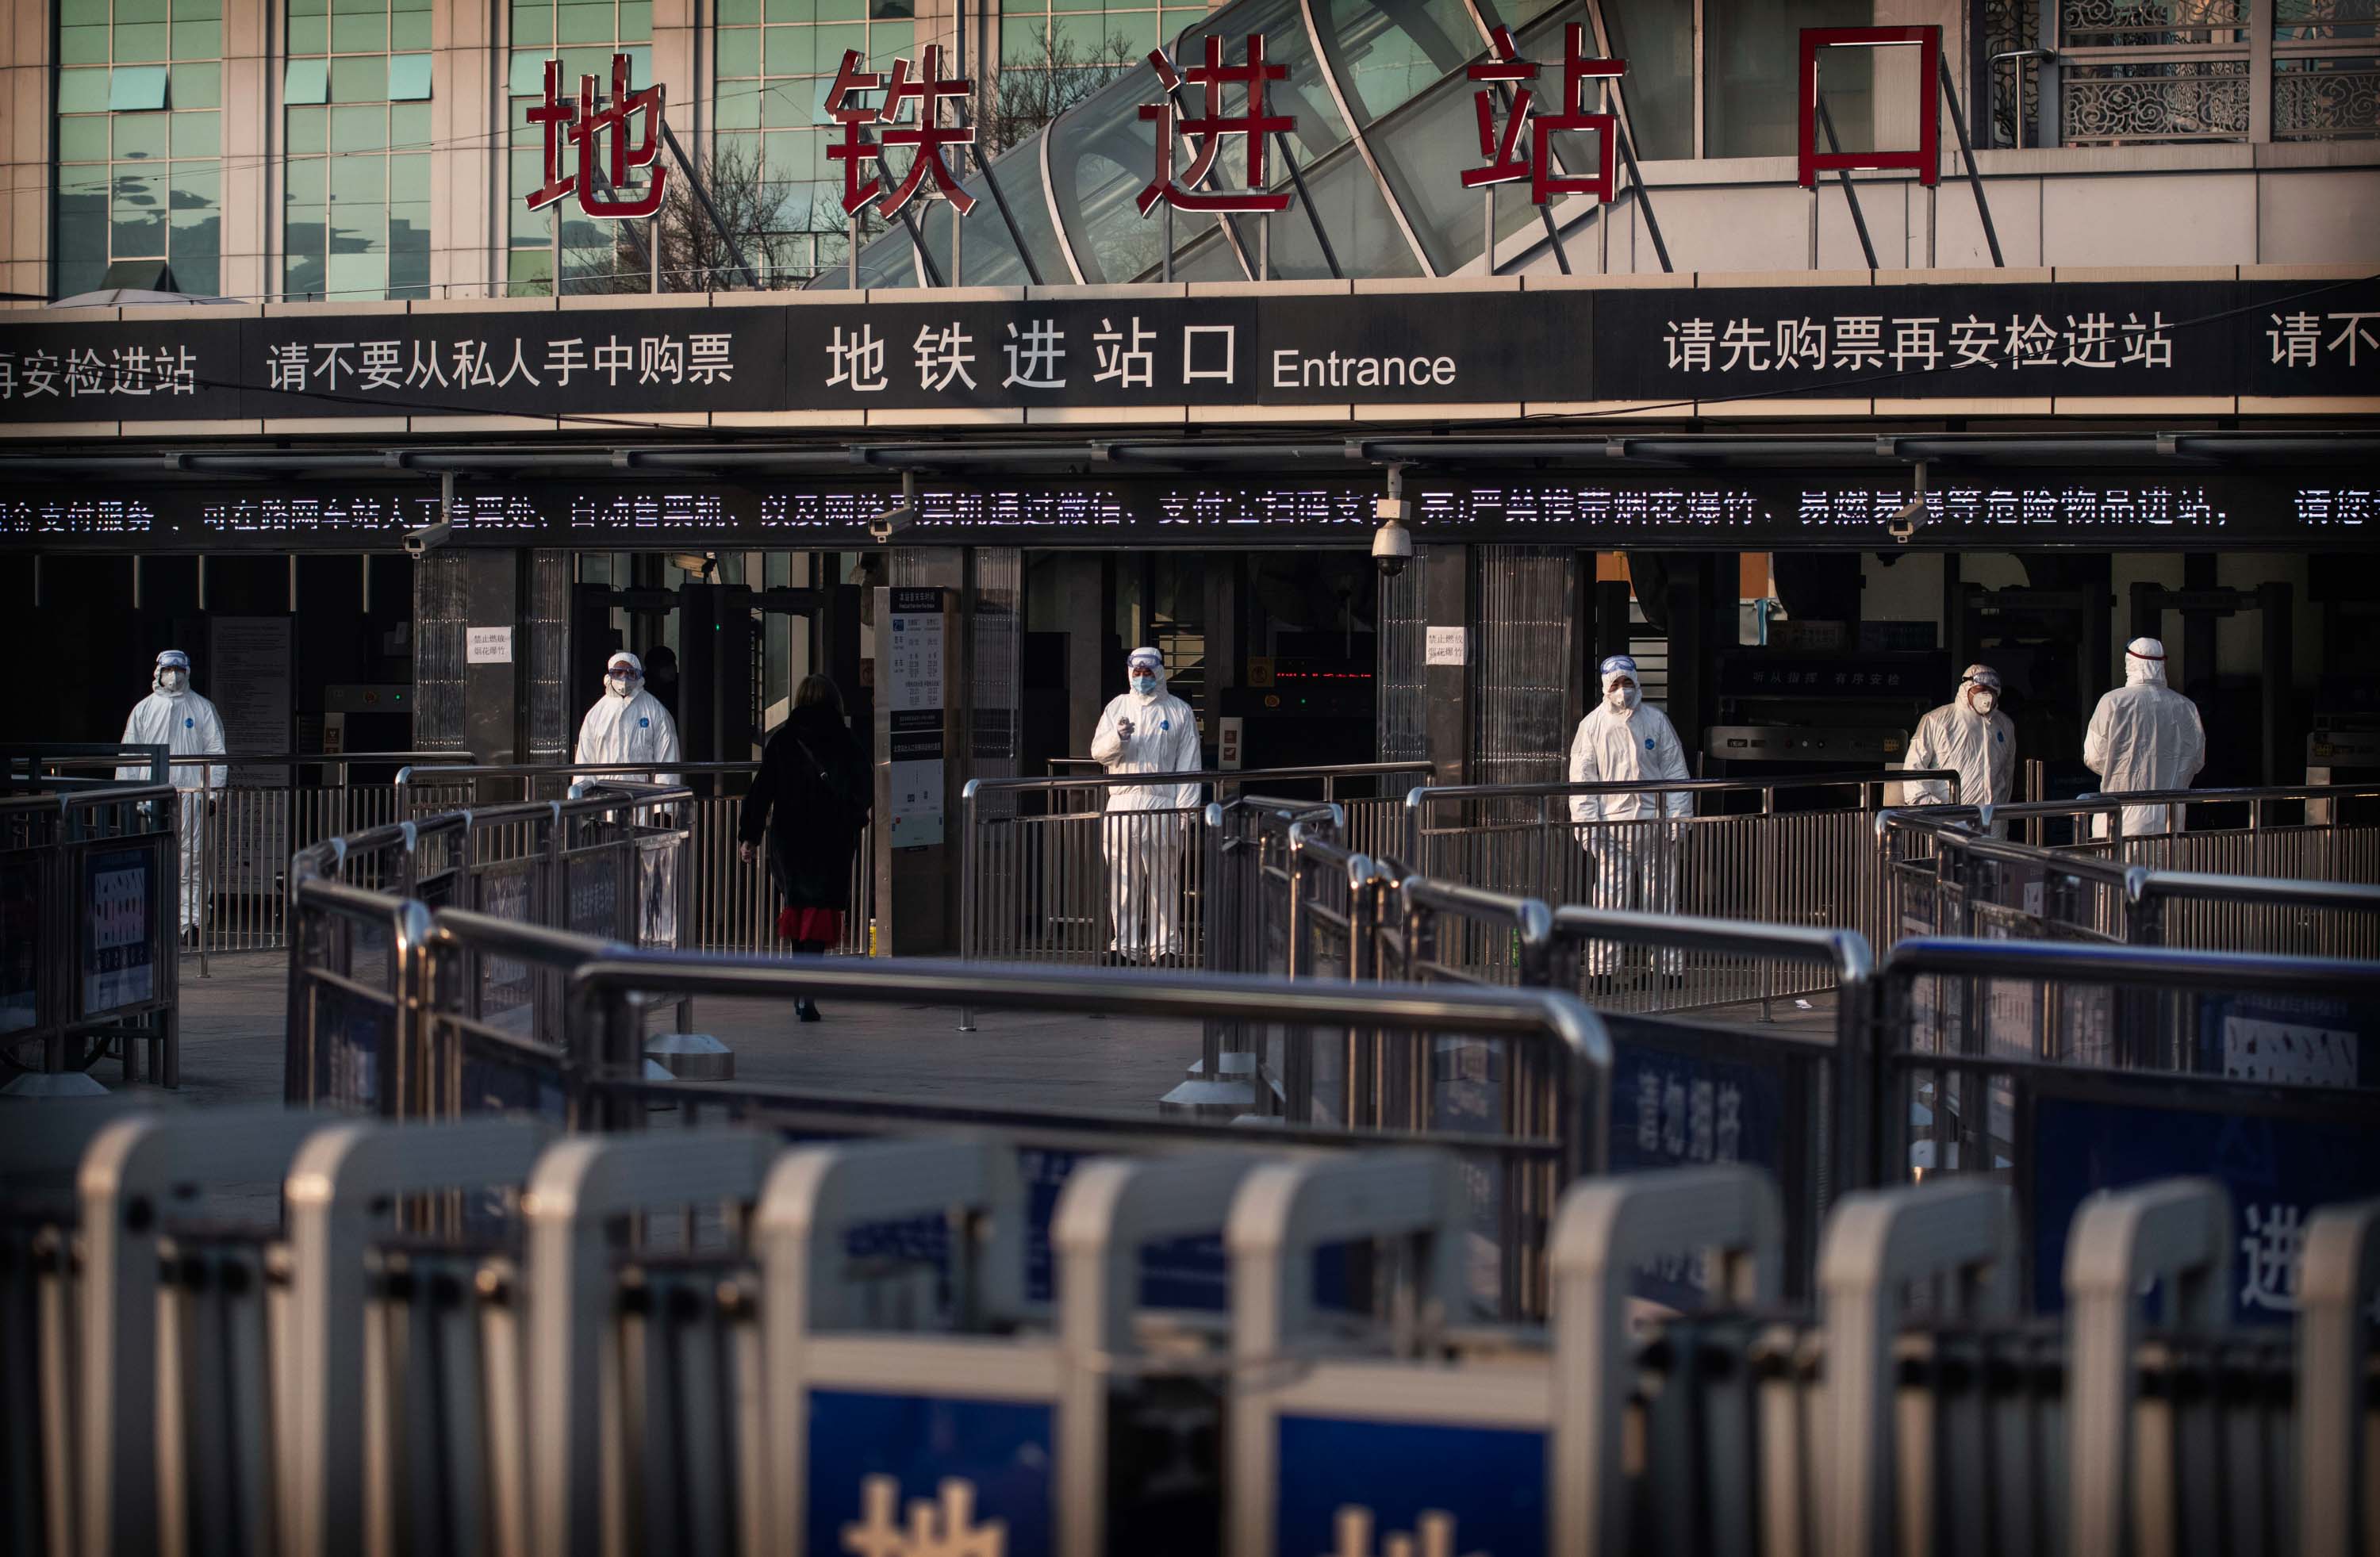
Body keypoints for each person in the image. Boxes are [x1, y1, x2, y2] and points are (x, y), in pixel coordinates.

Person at [738, 674, 870, 1022]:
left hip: (790, 839)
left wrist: (749, 836)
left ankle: (800, 987)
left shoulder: (783, 741)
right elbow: (864, 790)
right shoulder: (846, 742)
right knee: (821, 911)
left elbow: (761, 791)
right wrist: (853, 820)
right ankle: (807, 990)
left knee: (797, 908)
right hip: (832, 841)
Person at [1568, 654, 1691, 977]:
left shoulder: (1656, 721)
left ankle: (1669, 970)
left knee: (1662, 899)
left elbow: (1676, 772)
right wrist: (1589, 830)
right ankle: (1603, 972)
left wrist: (1678, 819)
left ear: (1637, 683)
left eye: (1627, 682)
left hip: (1655, 825)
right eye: (1616, 684)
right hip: (1612, 829)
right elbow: (1583, 783)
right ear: (1605, 688)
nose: (1622, 690)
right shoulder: (1591, 727)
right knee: (1609, 903)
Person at [1090, 646, 1201, 964]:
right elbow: (1099, 752)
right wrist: (1119, 738)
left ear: (1160, 672)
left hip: (1162, 804)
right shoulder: (1118, 706)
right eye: (1137, 673)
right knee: (1122, 881)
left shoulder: (1179, 712)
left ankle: (1165, 946)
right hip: (1122, 801)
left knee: (1164, 880)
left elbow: (1189, 767)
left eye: (1148, 673)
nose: (1142, 678)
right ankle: (1124, 946)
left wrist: (1185, 812)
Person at [118, 649, 227, 945]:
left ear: (187, 672)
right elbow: (130, 754)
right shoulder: (144, 710)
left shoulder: (203, 709)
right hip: (150, 797)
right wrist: (127, 794)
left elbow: (216, 754)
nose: (174, 674)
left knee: (191, 860)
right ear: (158, 671)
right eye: (169, 668)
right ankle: (152, 920)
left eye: (179, 669)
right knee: (151, 858)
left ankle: (191, 924)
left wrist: (213, 794)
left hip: (191, 797)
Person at [575, 650, 684, 943]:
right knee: (606, 878)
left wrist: (665, 810)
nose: (624, 679)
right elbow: (584, 766)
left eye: (630, 673)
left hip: (645, 815)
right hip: (605, 815)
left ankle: (649, 938)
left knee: (647, 879)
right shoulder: (596, 716)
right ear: (609, 675)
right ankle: (609, 937)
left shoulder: (656, 713)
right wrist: (582, 808)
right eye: (618, 673)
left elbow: (667, 763)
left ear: (639, 676)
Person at [2084, 635, 2206, 841]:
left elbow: (2094, 758)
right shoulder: (2186, 707)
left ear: (2130, 662)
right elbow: (2197, 761)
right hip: (2171, 818)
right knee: (2164, 872)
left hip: (2122, 816)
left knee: (2120, 871)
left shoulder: (2113, 702)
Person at [1902, 665, 2017, 833]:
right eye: (1981, 688)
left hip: (1993, 825)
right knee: (1951, 859)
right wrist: (1936, 811)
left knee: (1991, 859)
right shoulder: (1937, 720)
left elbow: (2007, 774)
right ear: (1966, 688)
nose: (1987, 695)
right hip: (1949, 823)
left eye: (1992, 690)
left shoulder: (2005, 725)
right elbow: (1913, 770)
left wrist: (2001, 815)